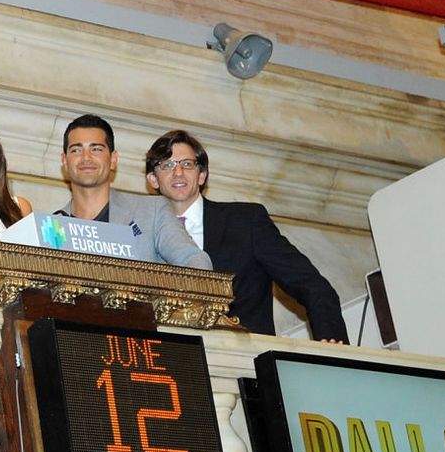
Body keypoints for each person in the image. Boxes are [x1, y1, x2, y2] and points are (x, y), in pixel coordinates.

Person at [145, 129, 348, 341]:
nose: (178, 172)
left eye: (187, 164)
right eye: (167, 165)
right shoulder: (139, 232)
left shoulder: (245, 221)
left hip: (244, 362)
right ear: (153, 179)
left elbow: (314, 287)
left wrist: (333, 347)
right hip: (169, 362)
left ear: (202, 174)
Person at [58, 114, 211, 269]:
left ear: (113, 159)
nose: (86, 158)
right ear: (64, 160)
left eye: (96, 149)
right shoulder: (52, 227)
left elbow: (194, 261)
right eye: (76, 150)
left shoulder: (152, 211)